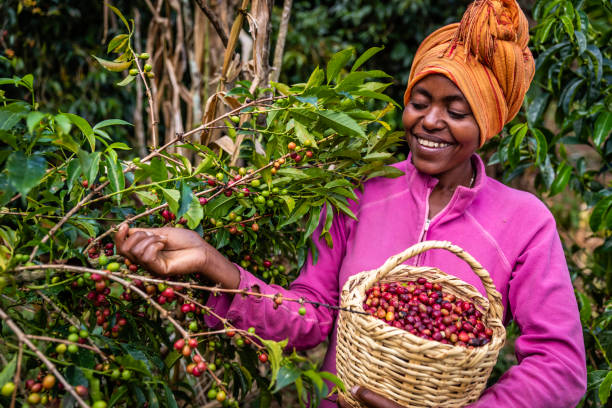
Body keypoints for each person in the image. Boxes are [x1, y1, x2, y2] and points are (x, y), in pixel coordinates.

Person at [114, 0, 587, 406]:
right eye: (419, 102)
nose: (431, 121)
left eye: (457, 112)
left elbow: (560, 366)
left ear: (487, 123)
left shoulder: (525, 222)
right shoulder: (363, 192)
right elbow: (313, 316)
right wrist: (210, 261)